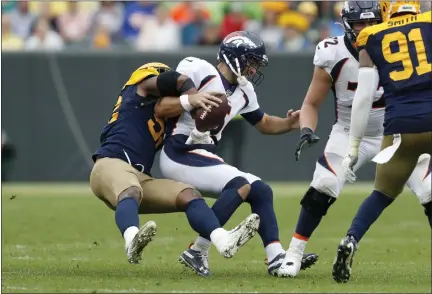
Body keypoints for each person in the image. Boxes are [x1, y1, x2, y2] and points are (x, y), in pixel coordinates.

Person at [279, 0, 431, 278]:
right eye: (360, 23)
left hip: (394, 131)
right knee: (323, 184)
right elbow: (311, 103)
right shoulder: (332, 52)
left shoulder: (392, 41)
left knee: (430, 190)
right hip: (349, 130)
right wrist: (306, 130)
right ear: (347, 25)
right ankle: (293, 255)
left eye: (372, 22)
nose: (366, 28)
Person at [159, 31, 318, 277]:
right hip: (180, 150)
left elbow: (263, 123)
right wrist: (193, 101)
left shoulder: (244, 91)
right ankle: (199, 249)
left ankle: (276, 257)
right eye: (251, 61)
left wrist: (290, 124)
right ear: (235, 56)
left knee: (261, 190)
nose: (253, 69)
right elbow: (165, 102)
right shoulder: (198, 69)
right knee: (240, 183)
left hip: (205, 153)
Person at [90, 62, 261, 265]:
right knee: (131, 190)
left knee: (189, 194)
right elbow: (176, 80)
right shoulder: (138, 90)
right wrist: (193, 95)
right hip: (109, 164)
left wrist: (201, 129)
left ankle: (223, 240)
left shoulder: (166, 110)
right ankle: (131, 240)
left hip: (141, 177)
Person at [333, 0, 431, 283]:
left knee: (382, 194)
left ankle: (351, 239)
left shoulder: (372, 36)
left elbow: (363, 98)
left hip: (400, 126)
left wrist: (353, 146)